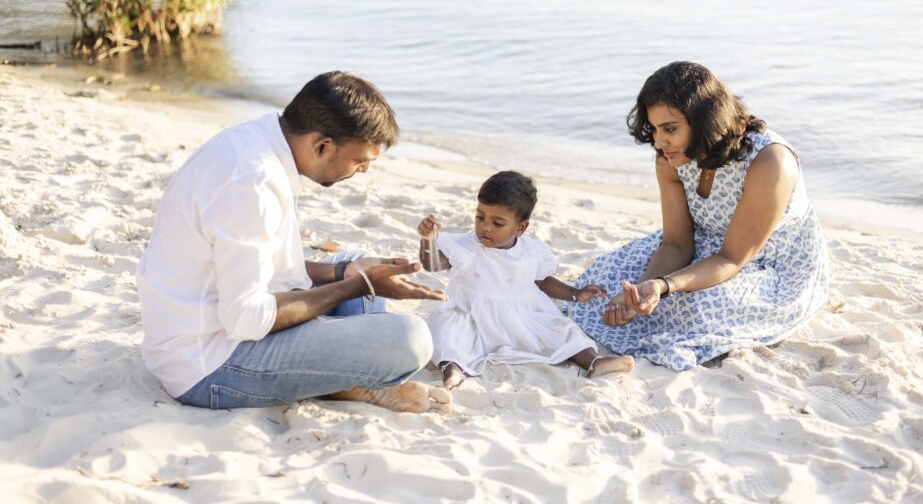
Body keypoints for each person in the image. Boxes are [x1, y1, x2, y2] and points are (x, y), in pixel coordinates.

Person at [136, 71, 451, 413]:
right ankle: (345, 382)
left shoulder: (258, 142)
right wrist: (357, 286)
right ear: (322, 146)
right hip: (208, 365)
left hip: (216, 320)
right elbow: (247, 319)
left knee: (358, 259)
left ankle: (338, 374)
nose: (363, 171)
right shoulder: (253, 183)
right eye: (360, 160)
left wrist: (348, 271)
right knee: (410, 339)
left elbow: (264, 266)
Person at [567, 61, 830, 370]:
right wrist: (640, 293)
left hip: (763, 260)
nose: (658, 141)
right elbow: (677, 244)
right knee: (603, 284)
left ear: (704, 119)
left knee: (696, 309)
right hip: (704, 243)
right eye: (653, 129)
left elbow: (731, 258)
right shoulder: (671, 158)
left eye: (669, 128)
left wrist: (664, 286)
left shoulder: (769, 162)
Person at [417, 171, 634, 390]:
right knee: (448, 330)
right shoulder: (466, 247)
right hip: (471, 316)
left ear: (520, 227)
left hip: (522, 318)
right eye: (480, 217)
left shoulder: (531, 252)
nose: (485, 227)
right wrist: (428, 242)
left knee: (562, 328)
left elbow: (542, 282)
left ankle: (592, 361)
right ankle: (453, 369)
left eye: (497, 223)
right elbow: (432, 265)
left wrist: (575, 293)